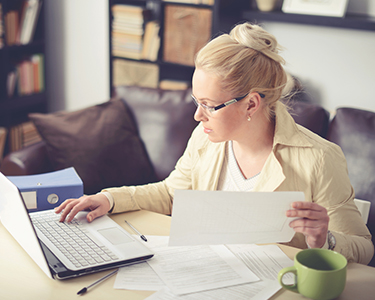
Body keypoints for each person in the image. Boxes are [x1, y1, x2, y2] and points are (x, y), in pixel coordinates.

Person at [56, 22, 374, 264]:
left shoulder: (320, 158)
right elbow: (170, 194)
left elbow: (363, 248)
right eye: (197, 101)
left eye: (209, 104)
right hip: (210, 272)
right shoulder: (207, 138)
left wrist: (325, 239)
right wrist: (108, 199)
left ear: (251, 104)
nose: (197, 115)